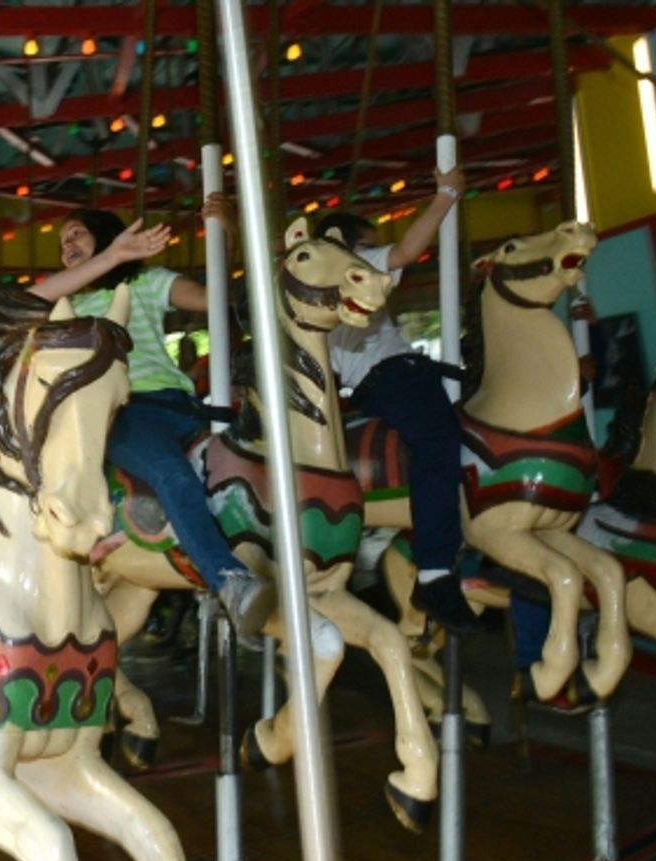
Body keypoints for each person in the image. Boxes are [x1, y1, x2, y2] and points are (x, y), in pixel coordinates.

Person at [31, 197, 276, 646]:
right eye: (63, 240)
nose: (67, 244)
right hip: (127, 410)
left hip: (183, 405)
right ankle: (231, 582)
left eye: (77, 233)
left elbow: (212, 300)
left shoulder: (145, 282)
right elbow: (35, 297)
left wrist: (225, 233)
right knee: (173, 476)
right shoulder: (66, 302)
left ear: (103, 234)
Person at [317, 165, 482, 634]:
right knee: (437, 445)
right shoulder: (347, 270)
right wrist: (446, 193)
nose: (372, 253)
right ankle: (434, 572)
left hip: (386, 378)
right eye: (366, 244)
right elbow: (410, 248)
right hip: (394, 376)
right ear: (345, 245)